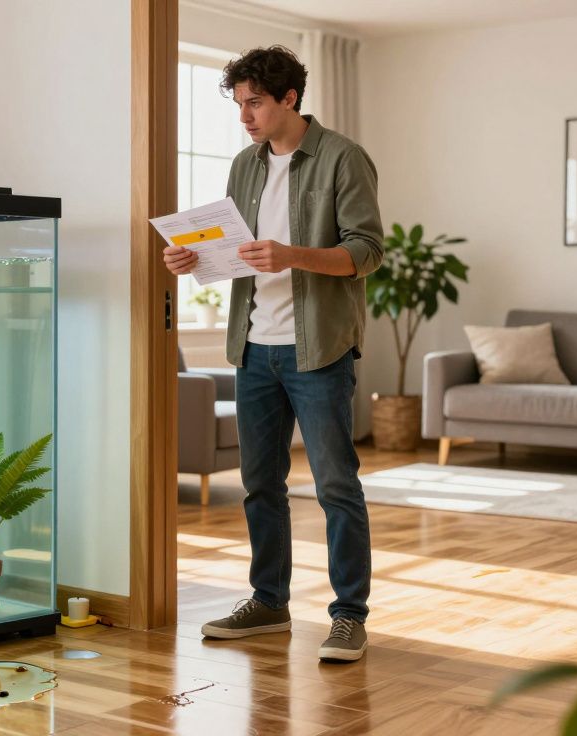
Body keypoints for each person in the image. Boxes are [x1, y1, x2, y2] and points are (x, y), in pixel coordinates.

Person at [163, 45, 384, 662]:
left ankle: (348, 616)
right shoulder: (244, 165)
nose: (246, 116)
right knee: (261, 484)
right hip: (254, 348)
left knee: (337, 486)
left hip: (318, 349)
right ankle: (268, 601)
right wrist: (189, 260)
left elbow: (366, 251)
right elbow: (233, 251)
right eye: (239, 104)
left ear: (290, 98)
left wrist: (292, 255)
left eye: (255, 102)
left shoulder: (343, 158)